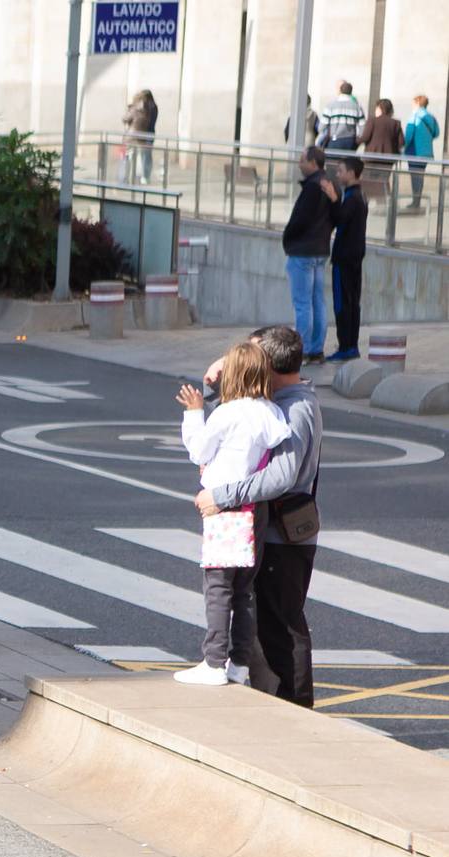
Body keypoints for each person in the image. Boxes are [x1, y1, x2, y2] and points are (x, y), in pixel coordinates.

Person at [196, 326, 321, 706]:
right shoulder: (272, 401)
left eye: (251, 356)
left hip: (284, 536)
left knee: (281, 629)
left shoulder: (293, 409)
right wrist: (216, 381)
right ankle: (272, 705)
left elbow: (280, 477)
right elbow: (227, 428)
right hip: (268, 531)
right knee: (264, 628)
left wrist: (222, 496)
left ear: (268, 363)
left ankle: (294, 710)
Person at [170, 342, 286, 687]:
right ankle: (238, 663)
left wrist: (193, 412)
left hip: (224, 506)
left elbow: (198, 450)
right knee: (243, 590)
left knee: (218, 587)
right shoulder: (271, 412)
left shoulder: (227, 413)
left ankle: (213, 661)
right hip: (256, 506)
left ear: (232, 376)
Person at [280, 147, 337, 363]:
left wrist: (287, 238)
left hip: (303, 251)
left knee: (303, 303)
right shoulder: (329, 185)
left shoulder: (313, 188)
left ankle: (301, 351)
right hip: (320, 249)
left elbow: (300, 220)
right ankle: (315, 349)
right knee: (317, 302)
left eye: (302, 160)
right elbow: (334, 215)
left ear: (313, 162)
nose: (299, 164)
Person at [328, 156, 368, 362]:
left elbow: (339, 220)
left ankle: (346, 346)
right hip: (354, 257)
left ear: (351, 173)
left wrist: (333, 199)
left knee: (343, 303)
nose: (338, 174)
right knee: (352, 302)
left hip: (345, 258)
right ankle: (350, 345)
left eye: (340, 170)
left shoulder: (352, 199)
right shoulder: (358, 196)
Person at [363, 99, 404, 199]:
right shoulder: (396, 123)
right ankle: (383, 205)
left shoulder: (372, 121)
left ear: (380, 108)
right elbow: (401, 142)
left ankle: (366, 202)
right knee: (383, 181)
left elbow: (365, 137)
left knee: (367, 181)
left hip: (371, 157)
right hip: (387, 159)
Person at [407, 94, 439, 208]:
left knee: (415, 176)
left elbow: (408, 136)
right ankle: (417, 199)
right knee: (420, 176)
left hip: (414, 152)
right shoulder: (431, 117)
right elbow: (436, 133)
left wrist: (403, 148)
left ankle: (416, 201)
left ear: (417, 103)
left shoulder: (414, 116)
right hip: (426, 152)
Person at [123, 89, 158, 184]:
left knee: (131, 157)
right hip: (148, 135)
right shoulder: (153, 107)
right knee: (145, 156)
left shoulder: (136, 107)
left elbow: (126, 118)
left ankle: (128, 177)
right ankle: (145, 177)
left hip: (133, 136)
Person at [321, 79, 365, 150]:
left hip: (335, 139)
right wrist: (358, 137)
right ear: (351, 92)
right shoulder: (357, 106)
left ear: (340, 90)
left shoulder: (330, 105)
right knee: (348, 160)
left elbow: (322, 126)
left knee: (332, 160)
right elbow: (362, 125)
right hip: (350, 140)